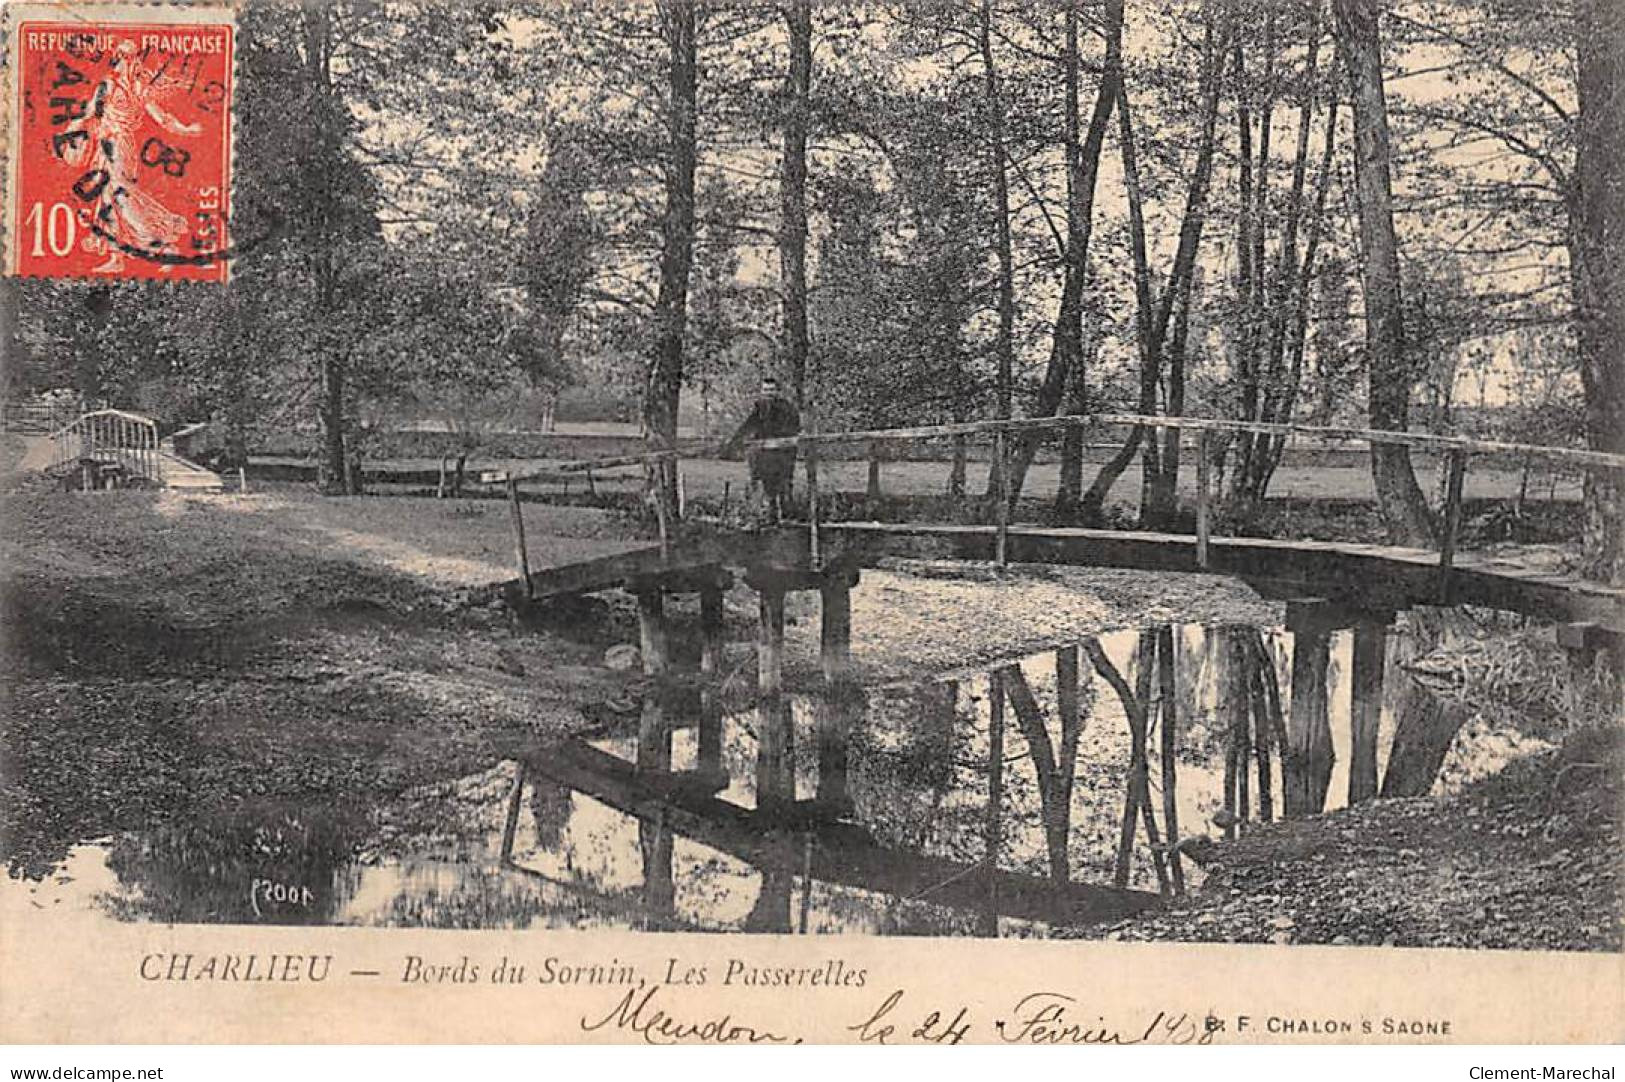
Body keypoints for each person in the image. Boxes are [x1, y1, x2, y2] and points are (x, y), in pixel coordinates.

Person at [722, 376, 800, 525]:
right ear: (761, 391)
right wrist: (734, 442)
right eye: (766, 390)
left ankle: (789, 518)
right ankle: (771, 518)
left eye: (771, 390)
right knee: (768, 485)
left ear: (777, 391)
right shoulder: (760, 407)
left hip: (783, 455)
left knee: (784, 485)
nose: (768, 393)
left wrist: (779, 438)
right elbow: (749, 425)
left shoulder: (787, 408)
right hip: (766, 455)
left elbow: (793, 428)